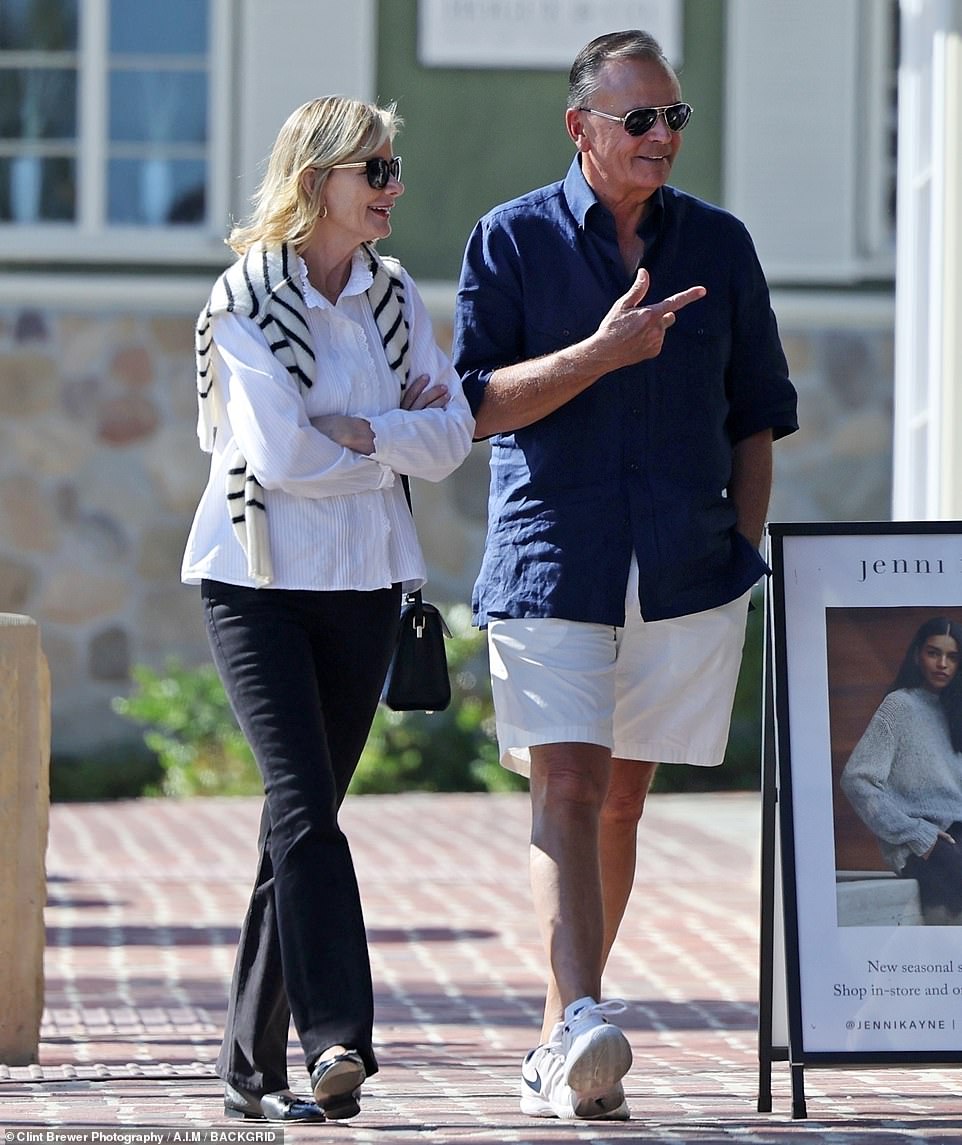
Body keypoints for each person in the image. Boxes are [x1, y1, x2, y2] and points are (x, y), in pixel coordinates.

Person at [452, 29, 798, 1120]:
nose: (660, 136)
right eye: (637, 118)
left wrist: (738, 549)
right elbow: (473, 409)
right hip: (554, 554)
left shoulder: (721, 243)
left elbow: (756, 415)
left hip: (687, 567)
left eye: (672, 117)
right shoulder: (507, 239)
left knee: (621, 804)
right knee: (564, 783)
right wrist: (598, 353)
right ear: (581, 128)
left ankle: (561, 1034)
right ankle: (582, 1019)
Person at [181, 96, 474, 1122]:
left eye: (392, 170)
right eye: (375, 171)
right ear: (317, 181)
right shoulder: (243, 300)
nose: (391, 189)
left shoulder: (394, 299)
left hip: (360, 589)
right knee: (306, 812)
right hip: (256, 587)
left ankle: (245, 1062)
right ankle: (336, 1038)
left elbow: (451, 439)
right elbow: (280, 455)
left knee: (293, 827)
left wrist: (366, 433)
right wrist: (384, 437)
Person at [840, 617, 962, 925]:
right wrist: (916, 832)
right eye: (934, 653)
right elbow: (857, 779)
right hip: (925, 843)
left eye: (952, 656)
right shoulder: (899, 707)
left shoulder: (957, 713)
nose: (943, 664)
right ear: (918, 654)